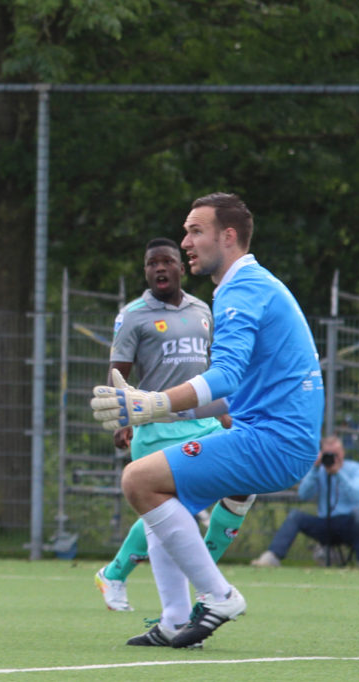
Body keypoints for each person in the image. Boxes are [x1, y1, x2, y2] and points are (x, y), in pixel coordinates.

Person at [90, 192, 324, 648]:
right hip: (274, 436)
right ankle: (176, 621)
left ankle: (219, 595)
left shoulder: (242, 288)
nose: (186, 241)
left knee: (139, 480)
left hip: (273, 441)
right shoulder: (253, 285)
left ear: (229, 236)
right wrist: (162, 406)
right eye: (186, 231)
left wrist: (152, 403)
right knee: (158, 488)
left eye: (196, 231)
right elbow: (239, 389)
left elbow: (226, 376)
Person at [94, 238, 255, 613]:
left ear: (181, 267)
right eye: (152, 264)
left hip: (202, 422)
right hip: (156, 425)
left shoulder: (203, 311)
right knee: (171, 511)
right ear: (146, 271)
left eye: (167, 261)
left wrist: (223, 412)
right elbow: (119, 372)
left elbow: (214, 371)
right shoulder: (133, 315)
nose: (160, 269)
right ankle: (118, 575)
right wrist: (123, 416)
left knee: (246, 484)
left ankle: (205, 580)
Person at [252, 434, 359, 569]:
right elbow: (303, 495)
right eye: (329, 454)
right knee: (295, 516)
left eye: (336, 454)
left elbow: (358, 497)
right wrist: (315, 469)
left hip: (349, 524)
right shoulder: (319, 471)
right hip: (326, 523)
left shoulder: (356, 469)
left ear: (343, 452)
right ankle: (271, 557)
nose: (332, 458)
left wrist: (338, 473)